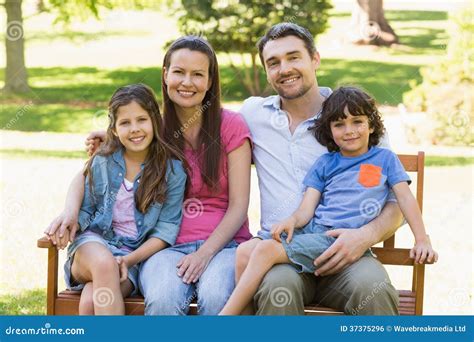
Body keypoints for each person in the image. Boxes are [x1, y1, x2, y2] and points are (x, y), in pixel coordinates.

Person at [45, 36, 252, 315]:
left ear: (210, 81)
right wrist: (107, 142)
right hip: (164, 248)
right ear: (165, 75)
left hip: (225, 245)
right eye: (179, 72)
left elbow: (239, 206)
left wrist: (204, 254)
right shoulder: (154, 127)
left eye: (198, 74)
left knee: (217, 298)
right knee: (163, 301)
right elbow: (96, 168)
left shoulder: (231, 126)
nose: (187, 82)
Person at [219, 86, 438, 315]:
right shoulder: (325, 163)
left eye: (357, 122)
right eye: (339, 124)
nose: (349, 130)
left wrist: (422, 239)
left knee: (264, 250)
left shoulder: (385, 160)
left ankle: (227, 318)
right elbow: (306, 209)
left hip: (341, 240)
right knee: (247, 251)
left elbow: (405, 198)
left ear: (371, 125)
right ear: (330, 130)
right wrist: (292, 220)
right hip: (315, 234)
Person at [238, 22, 405, 315]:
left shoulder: (351, 118)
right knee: (278, 289)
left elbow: (397, 203)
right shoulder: (254, 114)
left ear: (315, 59)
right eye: (273, 62)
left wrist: (362, 237)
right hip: (283, 253)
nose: (284, 68)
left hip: (347, 251)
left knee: (374, 288)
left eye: (293, 57)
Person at [54, 84, 187, 315]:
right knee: (104, 265)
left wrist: (129, 260)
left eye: (142, 120)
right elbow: (86, 208)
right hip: (92, 245)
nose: (135, 129)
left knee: (90, 301)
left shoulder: (172, 172)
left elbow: (165, 231)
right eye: (125, 123)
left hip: (132, 257)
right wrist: (70, 217)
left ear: (155, 120)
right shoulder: (103, 160)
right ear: (114, 129)